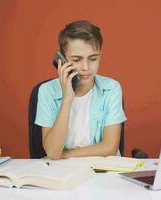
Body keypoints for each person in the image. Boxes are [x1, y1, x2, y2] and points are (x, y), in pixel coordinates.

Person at [35, 20, 126, 160]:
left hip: (103, 171)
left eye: (93, 59)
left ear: (100, 56)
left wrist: (64, 155)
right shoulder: (46, 91)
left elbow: (110, 148)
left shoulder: (111, 88)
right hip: (64, 172)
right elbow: (53, 151)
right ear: (62, 60)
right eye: (77, 59)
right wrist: (67, 99)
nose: (86, 67)